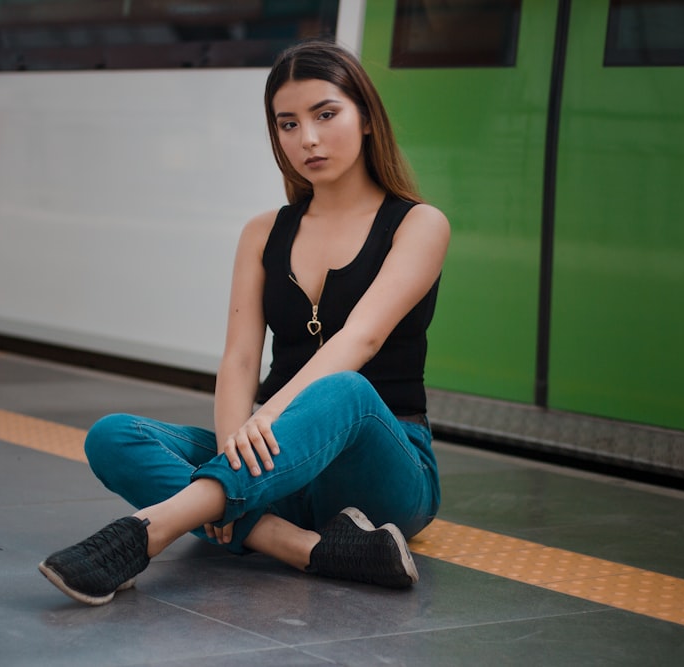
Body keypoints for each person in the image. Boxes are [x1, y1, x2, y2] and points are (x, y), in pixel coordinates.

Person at [38, 39, 451, 606]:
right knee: (112, 436)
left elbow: (363, 338)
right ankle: (305, 548)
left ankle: (149, 530)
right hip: (280, 465)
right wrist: (239, 444)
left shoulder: (419, 224)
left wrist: (269, 420)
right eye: (287, 124)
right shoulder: (263, 232)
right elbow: (238, 359)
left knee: (345, 389)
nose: (306, 138)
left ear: (367, 120)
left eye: (326, 115)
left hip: (382, 473)